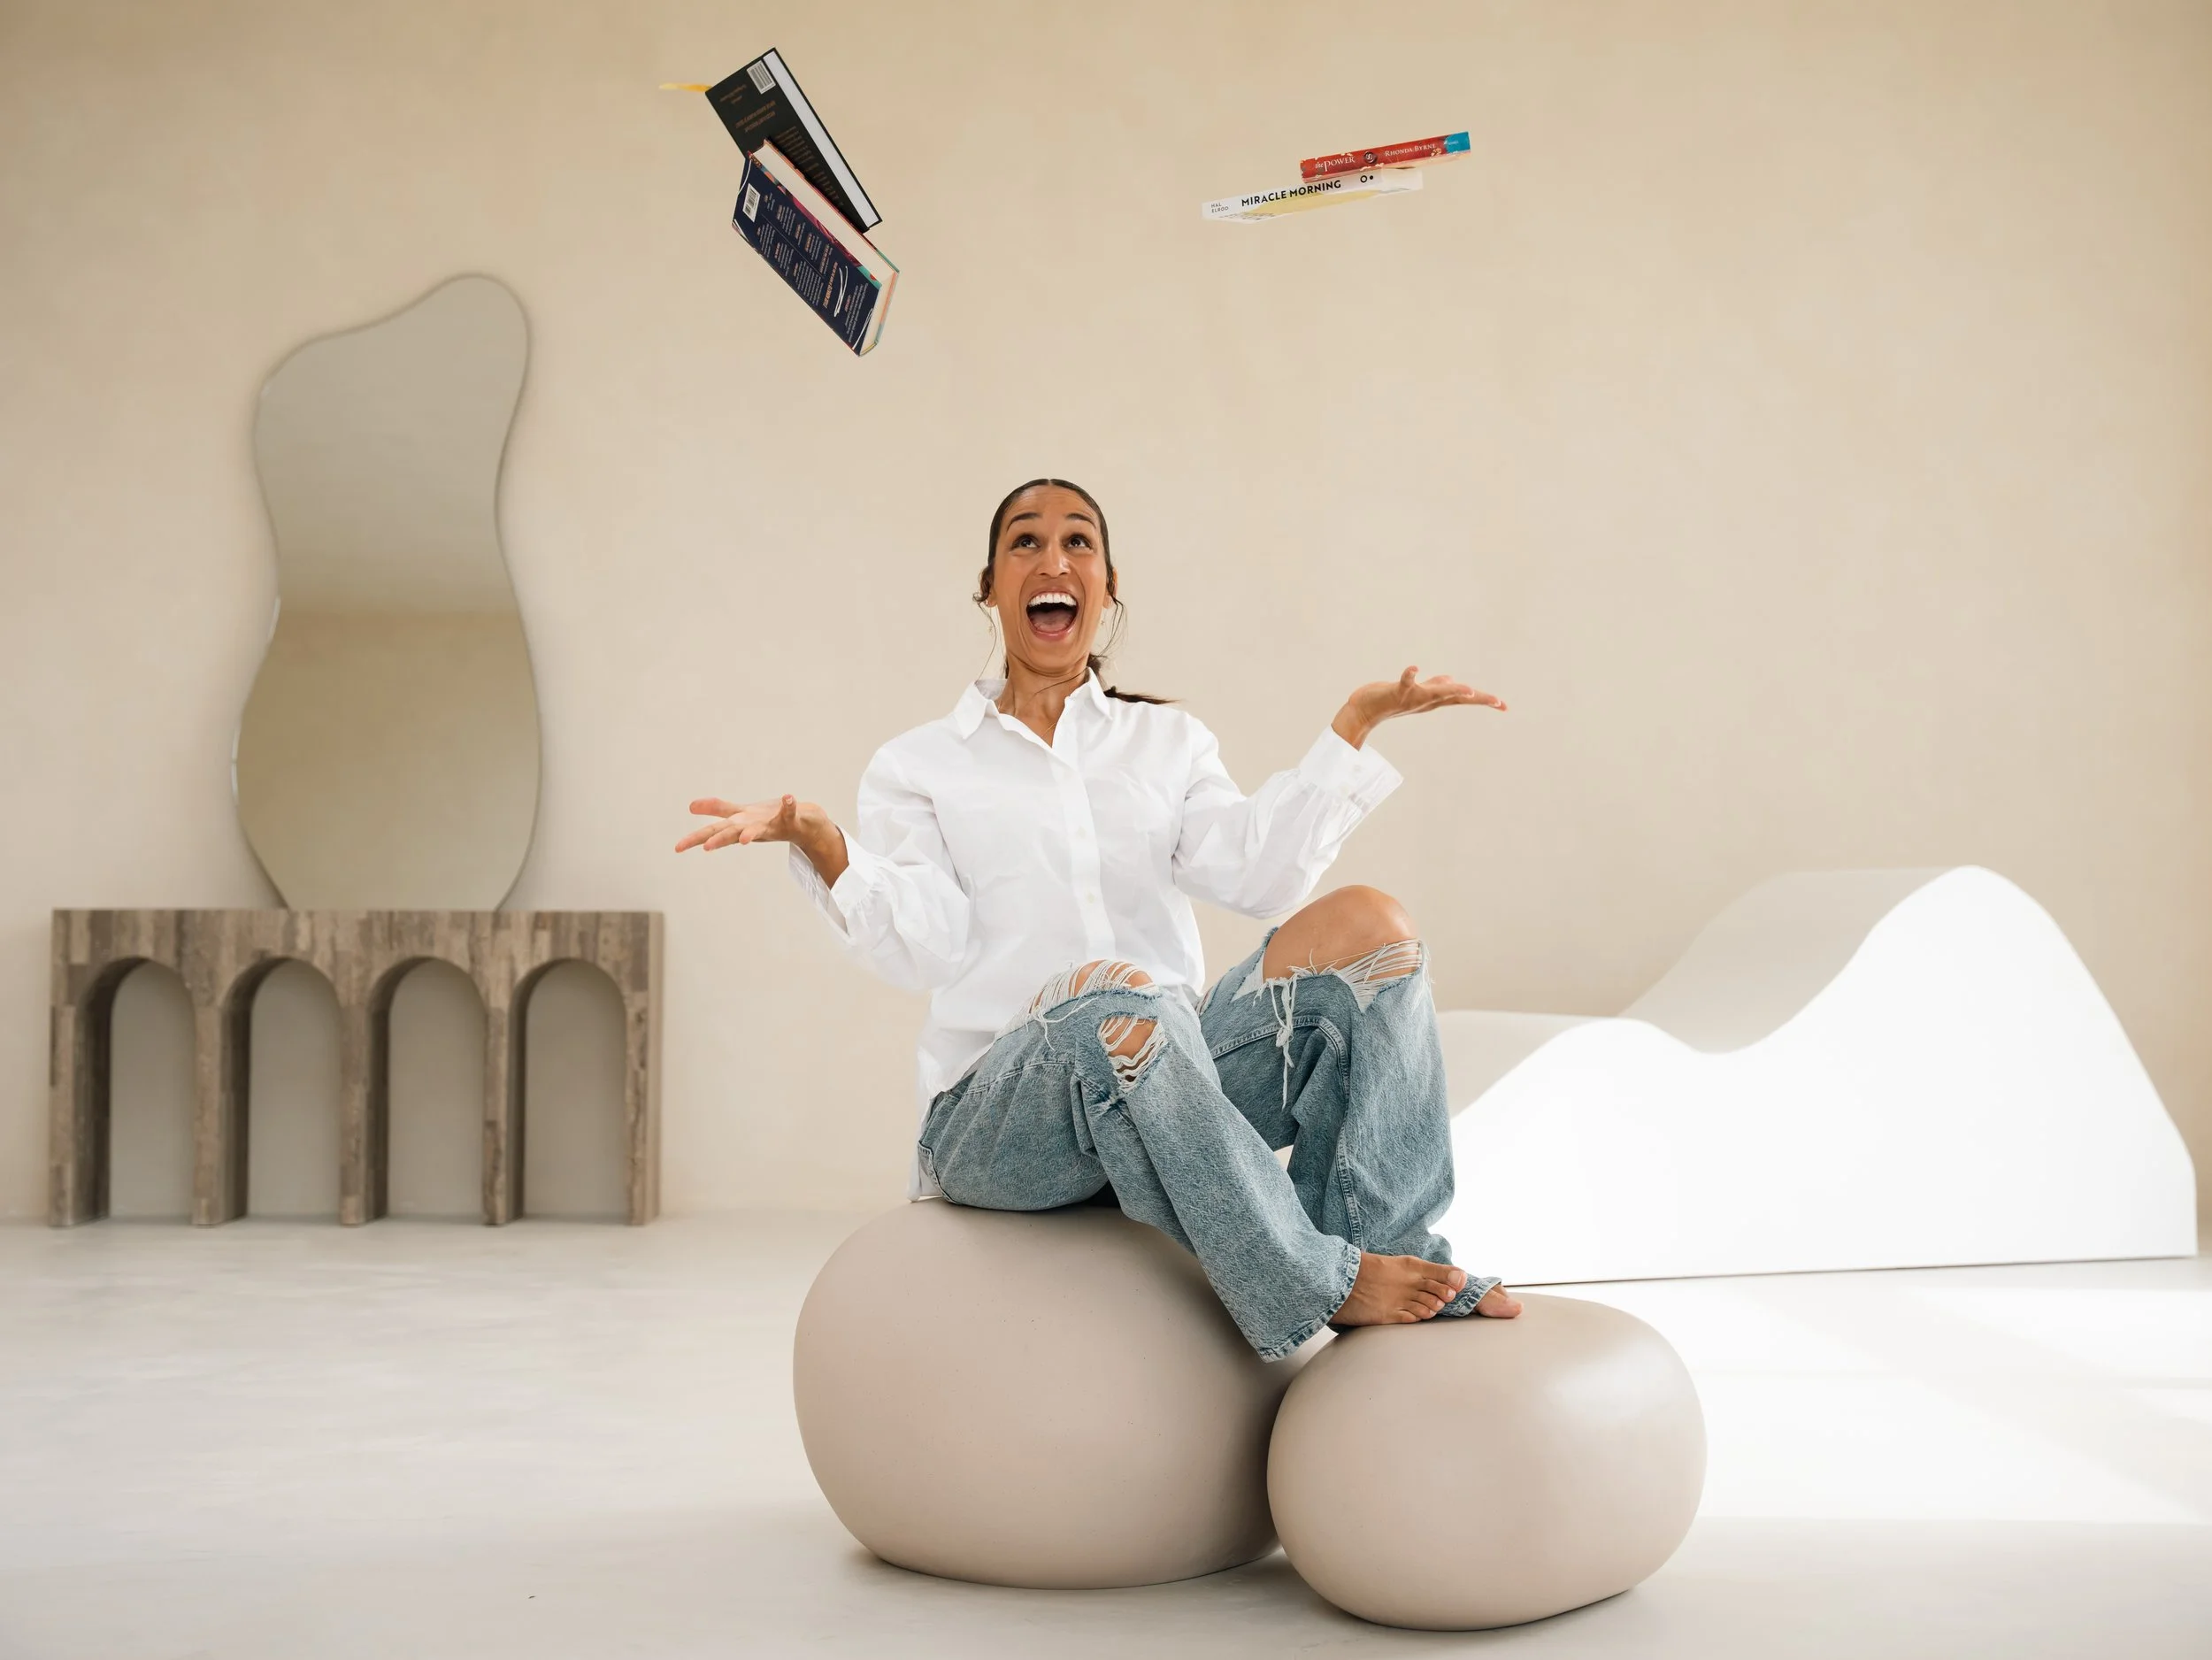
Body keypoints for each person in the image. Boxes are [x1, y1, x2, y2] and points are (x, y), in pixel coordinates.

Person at [677, 479, 1521, 1360]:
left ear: (1108, 586)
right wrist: (823, 843)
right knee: (1117, 997)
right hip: (1003, 1122)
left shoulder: (1168, 743)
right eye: (1025, 542)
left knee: (1371, 926)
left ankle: (1392, 1246)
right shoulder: (920, 764)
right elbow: (926, 946)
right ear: (990, 587)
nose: (1054, 559)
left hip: (1171, 1086)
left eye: (1078, 542)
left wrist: (1352, 726)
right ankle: (1318, 1278)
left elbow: (1260, 877)